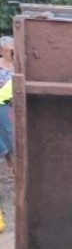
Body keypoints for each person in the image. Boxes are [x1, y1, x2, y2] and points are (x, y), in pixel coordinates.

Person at [0, 36, 14, 171]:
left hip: (17, 99)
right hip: (3, 101)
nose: (11, 53)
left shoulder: (19, 64)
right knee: (7, 132)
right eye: (8, 51)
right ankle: (10, 160)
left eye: (13, 50)